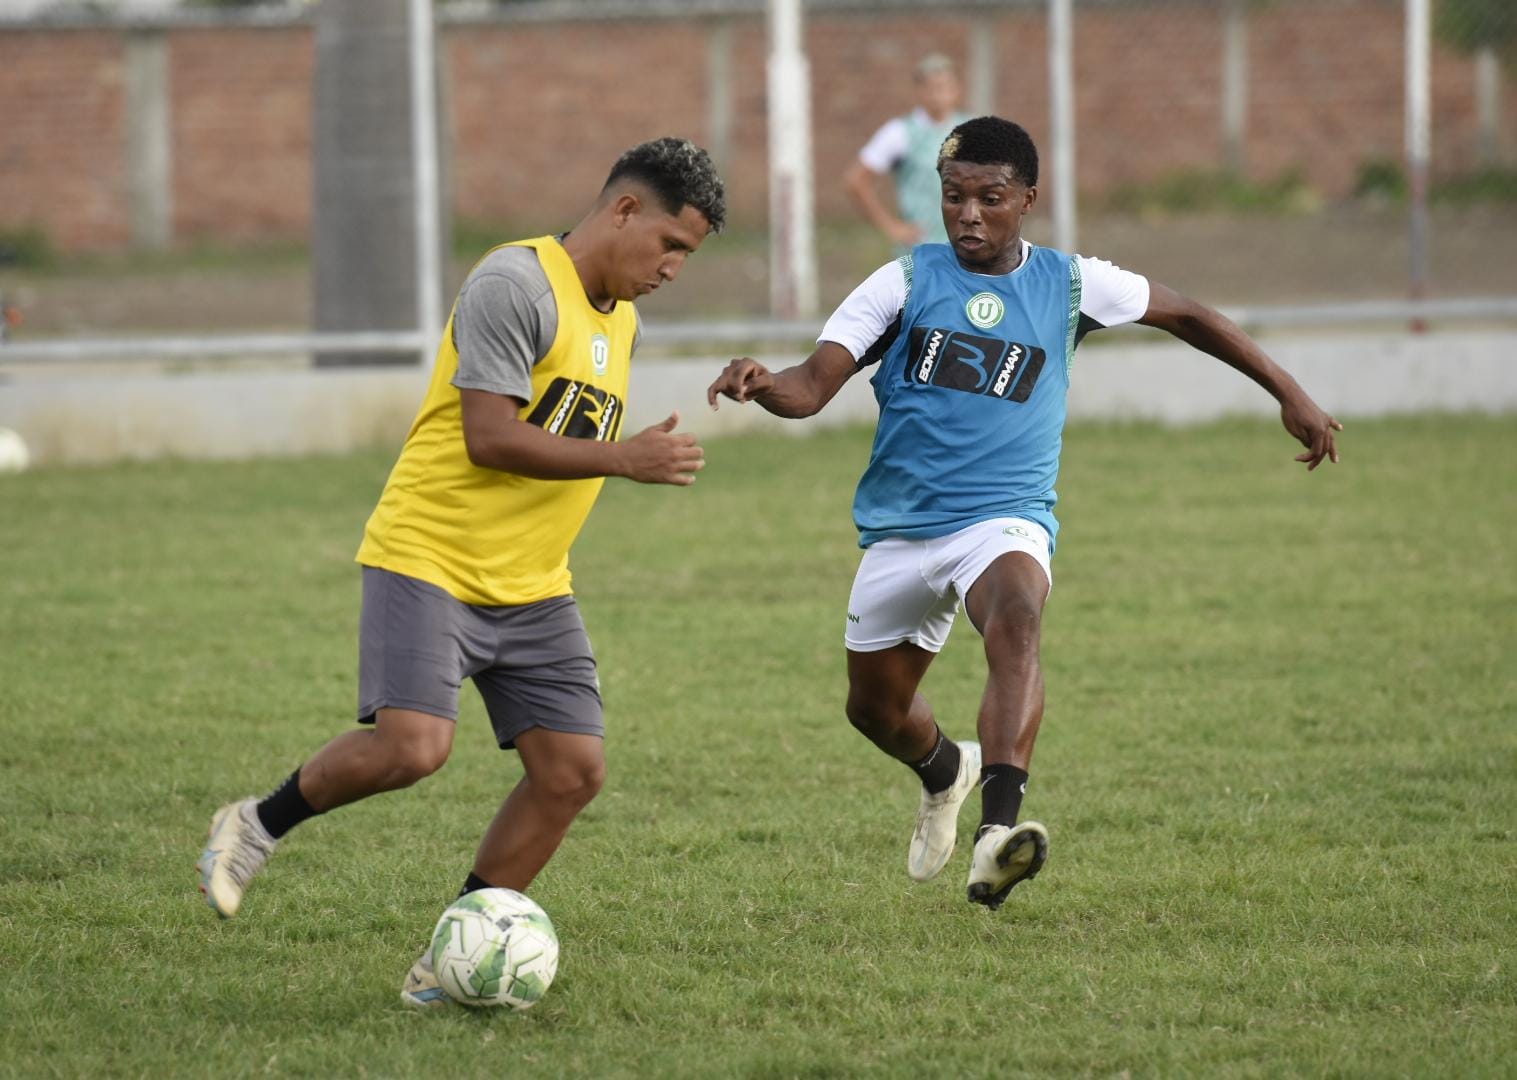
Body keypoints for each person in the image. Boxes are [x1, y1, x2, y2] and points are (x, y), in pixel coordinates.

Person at [707, 116, 1340, 911]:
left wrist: (1290, 392)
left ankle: (995, 834)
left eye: (989, 198)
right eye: (953, 197)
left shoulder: (1073, 285)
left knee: (1017, 615)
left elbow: (1187, 315)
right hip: (902, 531)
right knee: (873, 711)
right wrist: (763, 384)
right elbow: (809, 386)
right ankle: (944, 770)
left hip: (1003, 519)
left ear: (1027, 200)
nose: (968, 213)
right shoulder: (902, 283)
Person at [197, 137, 726, 1002]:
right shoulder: (514, 284)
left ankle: (450, 961)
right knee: (414, 747)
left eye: (687, 256)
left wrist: (611, 464)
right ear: (624, 210)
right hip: (430, 554)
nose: (673, 268)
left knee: (573, 772)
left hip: (533, 582)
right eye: (670, 244)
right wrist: (621, 460)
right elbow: (490, 438)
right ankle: (255, 825)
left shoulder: (621, 320)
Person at [844, 53, 972, 252]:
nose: (939, 94)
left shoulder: (971, 129)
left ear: (957, 89)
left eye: (945, 86)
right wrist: (891, 226)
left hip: (965, 247)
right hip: (921, 248)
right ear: (920, 91)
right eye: (932, 87)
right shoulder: (901, 132)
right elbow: (856, 179)